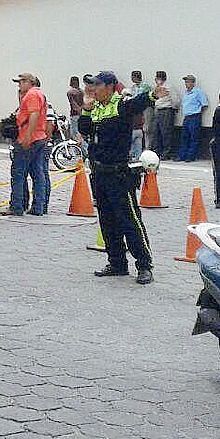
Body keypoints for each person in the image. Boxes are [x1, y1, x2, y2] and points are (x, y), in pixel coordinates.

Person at [79, 71, 153, 285]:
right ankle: (117, 263)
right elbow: (84, 129)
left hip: (118, 174)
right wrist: (86, 107)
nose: (93, 89)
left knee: (130, 221)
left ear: (111, 86)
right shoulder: (97, 108)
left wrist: (152, 96)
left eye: (98, 85)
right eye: (92, 85)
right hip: (99, 172)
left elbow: (138, 103)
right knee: (107, 221)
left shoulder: (121, 104)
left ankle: (144, 265)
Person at [4, 73, 50, 217]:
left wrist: (27, 136)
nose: (19, 85)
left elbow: (34, 114)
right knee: (38, 173)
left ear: (30, 82)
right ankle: (38, 207)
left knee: (18, 173)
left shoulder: (31, 95)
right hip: (40, 137)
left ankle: (17, 206)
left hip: (29, 138)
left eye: (22, 82)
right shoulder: (39, 95)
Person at [178, 75, 208, 161]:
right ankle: (182, 155)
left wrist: (197, 111)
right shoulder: (186, 93)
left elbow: (204, 104)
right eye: (186, 82)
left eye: (188, 82)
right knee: (184, 137)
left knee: (194, 137)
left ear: (193, 83)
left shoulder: (198, 92)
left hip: (194, 116)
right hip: (187, 117)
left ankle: (190, 156)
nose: (186, 84)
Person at [124, 71, 152, 159]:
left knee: (146, 128)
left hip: (145, 108)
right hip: (136, 109)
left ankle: (148, 148)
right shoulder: (133, 87)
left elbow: (145, 98)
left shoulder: (145, 86)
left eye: (133, 77)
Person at [149, 71, 177, 158]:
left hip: (166, 110)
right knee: (155, 132)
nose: (157, 80)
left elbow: (175, 99)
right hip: (157, 110)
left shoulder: (168, 87)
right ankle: (156, 152)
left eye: (158, 78)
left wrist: (173, 108)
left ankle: (166, 152)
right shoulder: (156, 88)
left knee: (165, 132)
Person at [66, 76, 85, 142]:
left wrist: (79, 111)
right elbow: (84, 103)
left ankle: (81, 150)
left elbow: (73, 105)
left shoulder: (70, 92)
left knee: (75, 134)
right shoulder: (82, 91)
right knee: (82, 133)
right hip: (83, 113)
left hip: (74, 115)